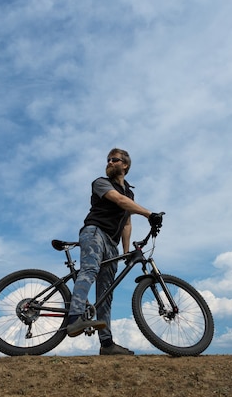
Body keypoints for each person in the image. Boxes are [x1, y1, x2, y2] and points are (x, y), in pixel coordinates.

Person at [66, 148, 163, 355]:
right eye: (108, 159)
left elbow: (127, 222)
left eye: (114, 159)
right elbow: (119, 201)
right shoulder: (101, 182)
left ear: (125, 165)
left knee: (106, 293)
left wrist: (126, 251)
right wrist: (148, 214)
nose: (110, 162)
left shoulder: (129, 192)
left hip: (112, 243)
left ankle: (107, 344)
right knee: (89, 270)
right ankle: (74, 317)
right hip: (94, 232)